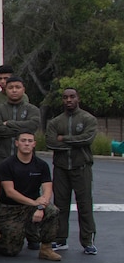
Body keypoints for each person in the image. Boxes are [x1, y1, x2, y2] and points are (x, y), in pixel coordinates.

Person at [45, 88, 98, 254]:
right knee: (60, 205)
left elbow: (87, 139)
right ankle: (60, 240)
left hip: (81, 167)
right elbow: (51, 143)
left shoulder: (88, 119)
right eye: (65, 97)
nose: (69, 100)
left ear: (78, 98)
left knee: (85, 205)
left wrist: (64, 139)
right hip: (61, 168)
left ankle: (88, 241)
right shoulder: (55, 122)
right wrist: (72, 141)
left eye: (72, 97)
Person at [0, 131, 60, 260]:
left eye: (30, 141)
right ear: (17, 143)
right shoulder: (7, 164)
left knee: (52, 211)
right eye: (23, 140)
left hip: (33, 207)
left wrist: (41, 206)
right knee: (10, 251)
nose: (26, 144)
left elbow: (47, 188)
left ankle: (46, 249)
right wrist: (34, 203)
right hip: (10, 209)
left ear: (34, 144)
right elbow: (10, 192)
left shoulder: (41, 165)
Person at [0, 77, 40, 165]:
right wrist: (22, 131)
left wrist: (8, 123)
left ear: (23, 90)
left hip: (27, 159)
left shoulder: (32, 109)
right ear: (6, 90)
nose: (14, 90)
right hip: (1, 157)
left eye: (18, 87)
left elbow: (32, 126)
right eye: (10, 88)